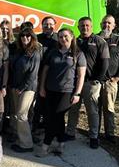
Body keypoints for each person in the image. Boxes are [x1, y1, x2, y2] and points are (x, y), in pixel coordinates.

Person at [37, 28, 86, 157]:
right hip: (50, 90)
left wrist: (77, 93)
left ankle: (45, 146)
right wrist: (42, 87)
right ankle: (61, 143)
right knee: (55, 118)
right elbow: (45, 71)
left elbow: (81, 76)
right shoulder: (53, 52)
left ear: (72, 37)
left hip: (67, 91)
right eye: (60, 37)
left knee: (54, 118)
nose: (63, 39)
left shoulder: (78, 54)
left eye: (65, 36)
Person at [66, 17, 110, 149]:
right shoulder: (75, 41)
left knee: (92, 111)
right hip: (75, 82)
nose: (84, 28)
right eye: (82, 26)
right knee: (73, 108)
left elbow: (105, 63)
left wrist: (97, 80)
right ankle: (70, 132)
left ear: (91, 26)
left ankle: (93, 136)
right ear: (78, 27)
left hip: (91, 82)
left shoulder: (99, 41)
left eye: (87, 25)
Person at [98, 15, 119, 143]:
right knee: (95, 109)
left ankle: (109, 134)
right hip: (96, 81)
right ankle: (94, 133)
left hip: (110, 81)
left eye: (109, 23)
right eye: (104, 23)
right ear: (101, 24)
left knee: (109, 108)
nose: (106, 25)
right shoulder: (96, 38)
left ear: (114, 26)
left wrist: (118, 77)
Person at [9, 28, 41, 152]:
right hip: (16, 87)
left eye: (28, 36)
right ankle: (20, 139)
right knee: (17, 115)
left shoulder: (35, 53)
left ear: (32, 37)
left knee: (22, 115)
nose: (25, 38)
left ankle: (27, 144)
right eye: (23, 36)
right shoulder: (19, 51)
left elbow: (33, 75)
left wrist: (21, 88)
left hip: (28, 88)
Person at [32, 16, 58, 132]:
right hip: (38, 75)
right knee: (38, 103)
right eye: (45, 24)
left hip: (54, 76)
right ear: (41, 26)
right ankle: (36, 126)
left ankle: (49, 126)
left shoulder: (59, 39)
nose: (48, 26)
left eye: (51, 24)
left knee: (51, 103)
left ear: (55, 25)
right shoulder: (37, 39)